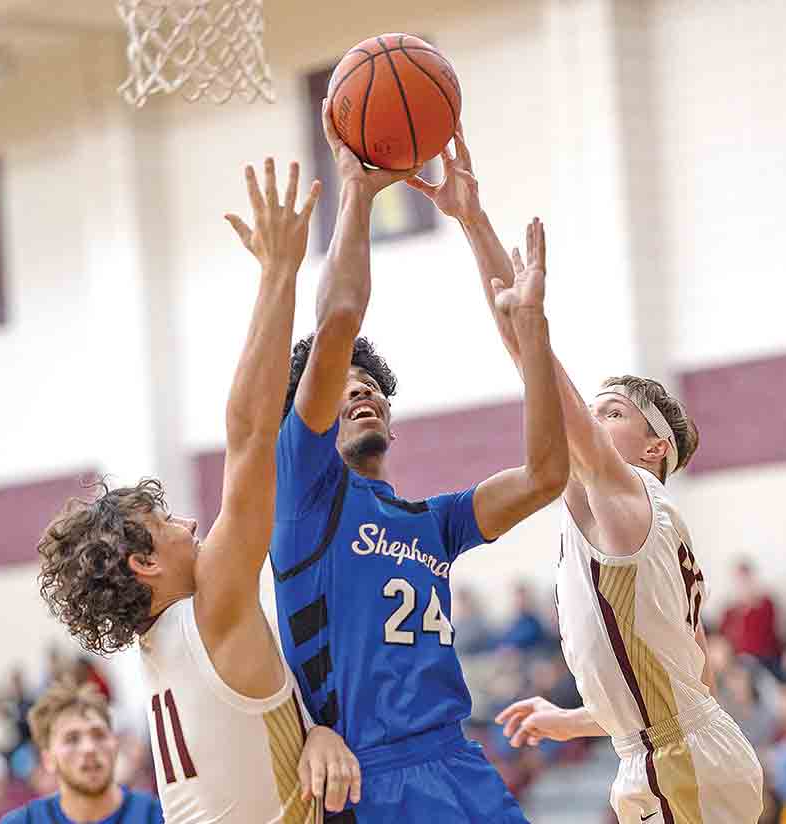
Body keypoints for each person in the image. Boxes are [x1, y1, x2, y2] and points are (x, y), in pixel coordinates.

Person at [405, 129, 763, 823]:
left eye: (612, 413)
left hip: (674, 761)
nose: (592, 422)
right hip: (673, 751)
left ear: (654, 448)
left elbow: (531, 361)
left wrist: (481, 236)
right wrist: (577, 719)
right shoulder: (611, 508)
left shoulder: (630, 493)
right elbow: (694, 678)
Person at [269, 100, 568, 822]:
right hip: (371, 778)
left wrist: (531, 332)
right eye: (343, 389)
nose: (361, 394)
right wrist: (359, 193)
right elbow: (339, 319)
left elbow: (546, 476)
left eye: (371, 389)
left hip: (459, 761)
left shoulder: (431, 522)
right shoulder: (305, 493)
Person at [37, 159, 362, 821]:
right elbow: (247, 434)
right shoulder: (213, 609)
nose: (190, 523)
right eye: (166, 521)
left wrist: (315, 729)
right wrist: (279, 272)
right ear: (145, 562)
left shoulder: (161, 650)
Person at [0, 681, 162, 824]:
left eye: (99, 734)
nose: (89, 748)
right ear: (48, 759)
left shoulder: (159, 816)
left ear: (115, 744)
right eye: (72, 739)